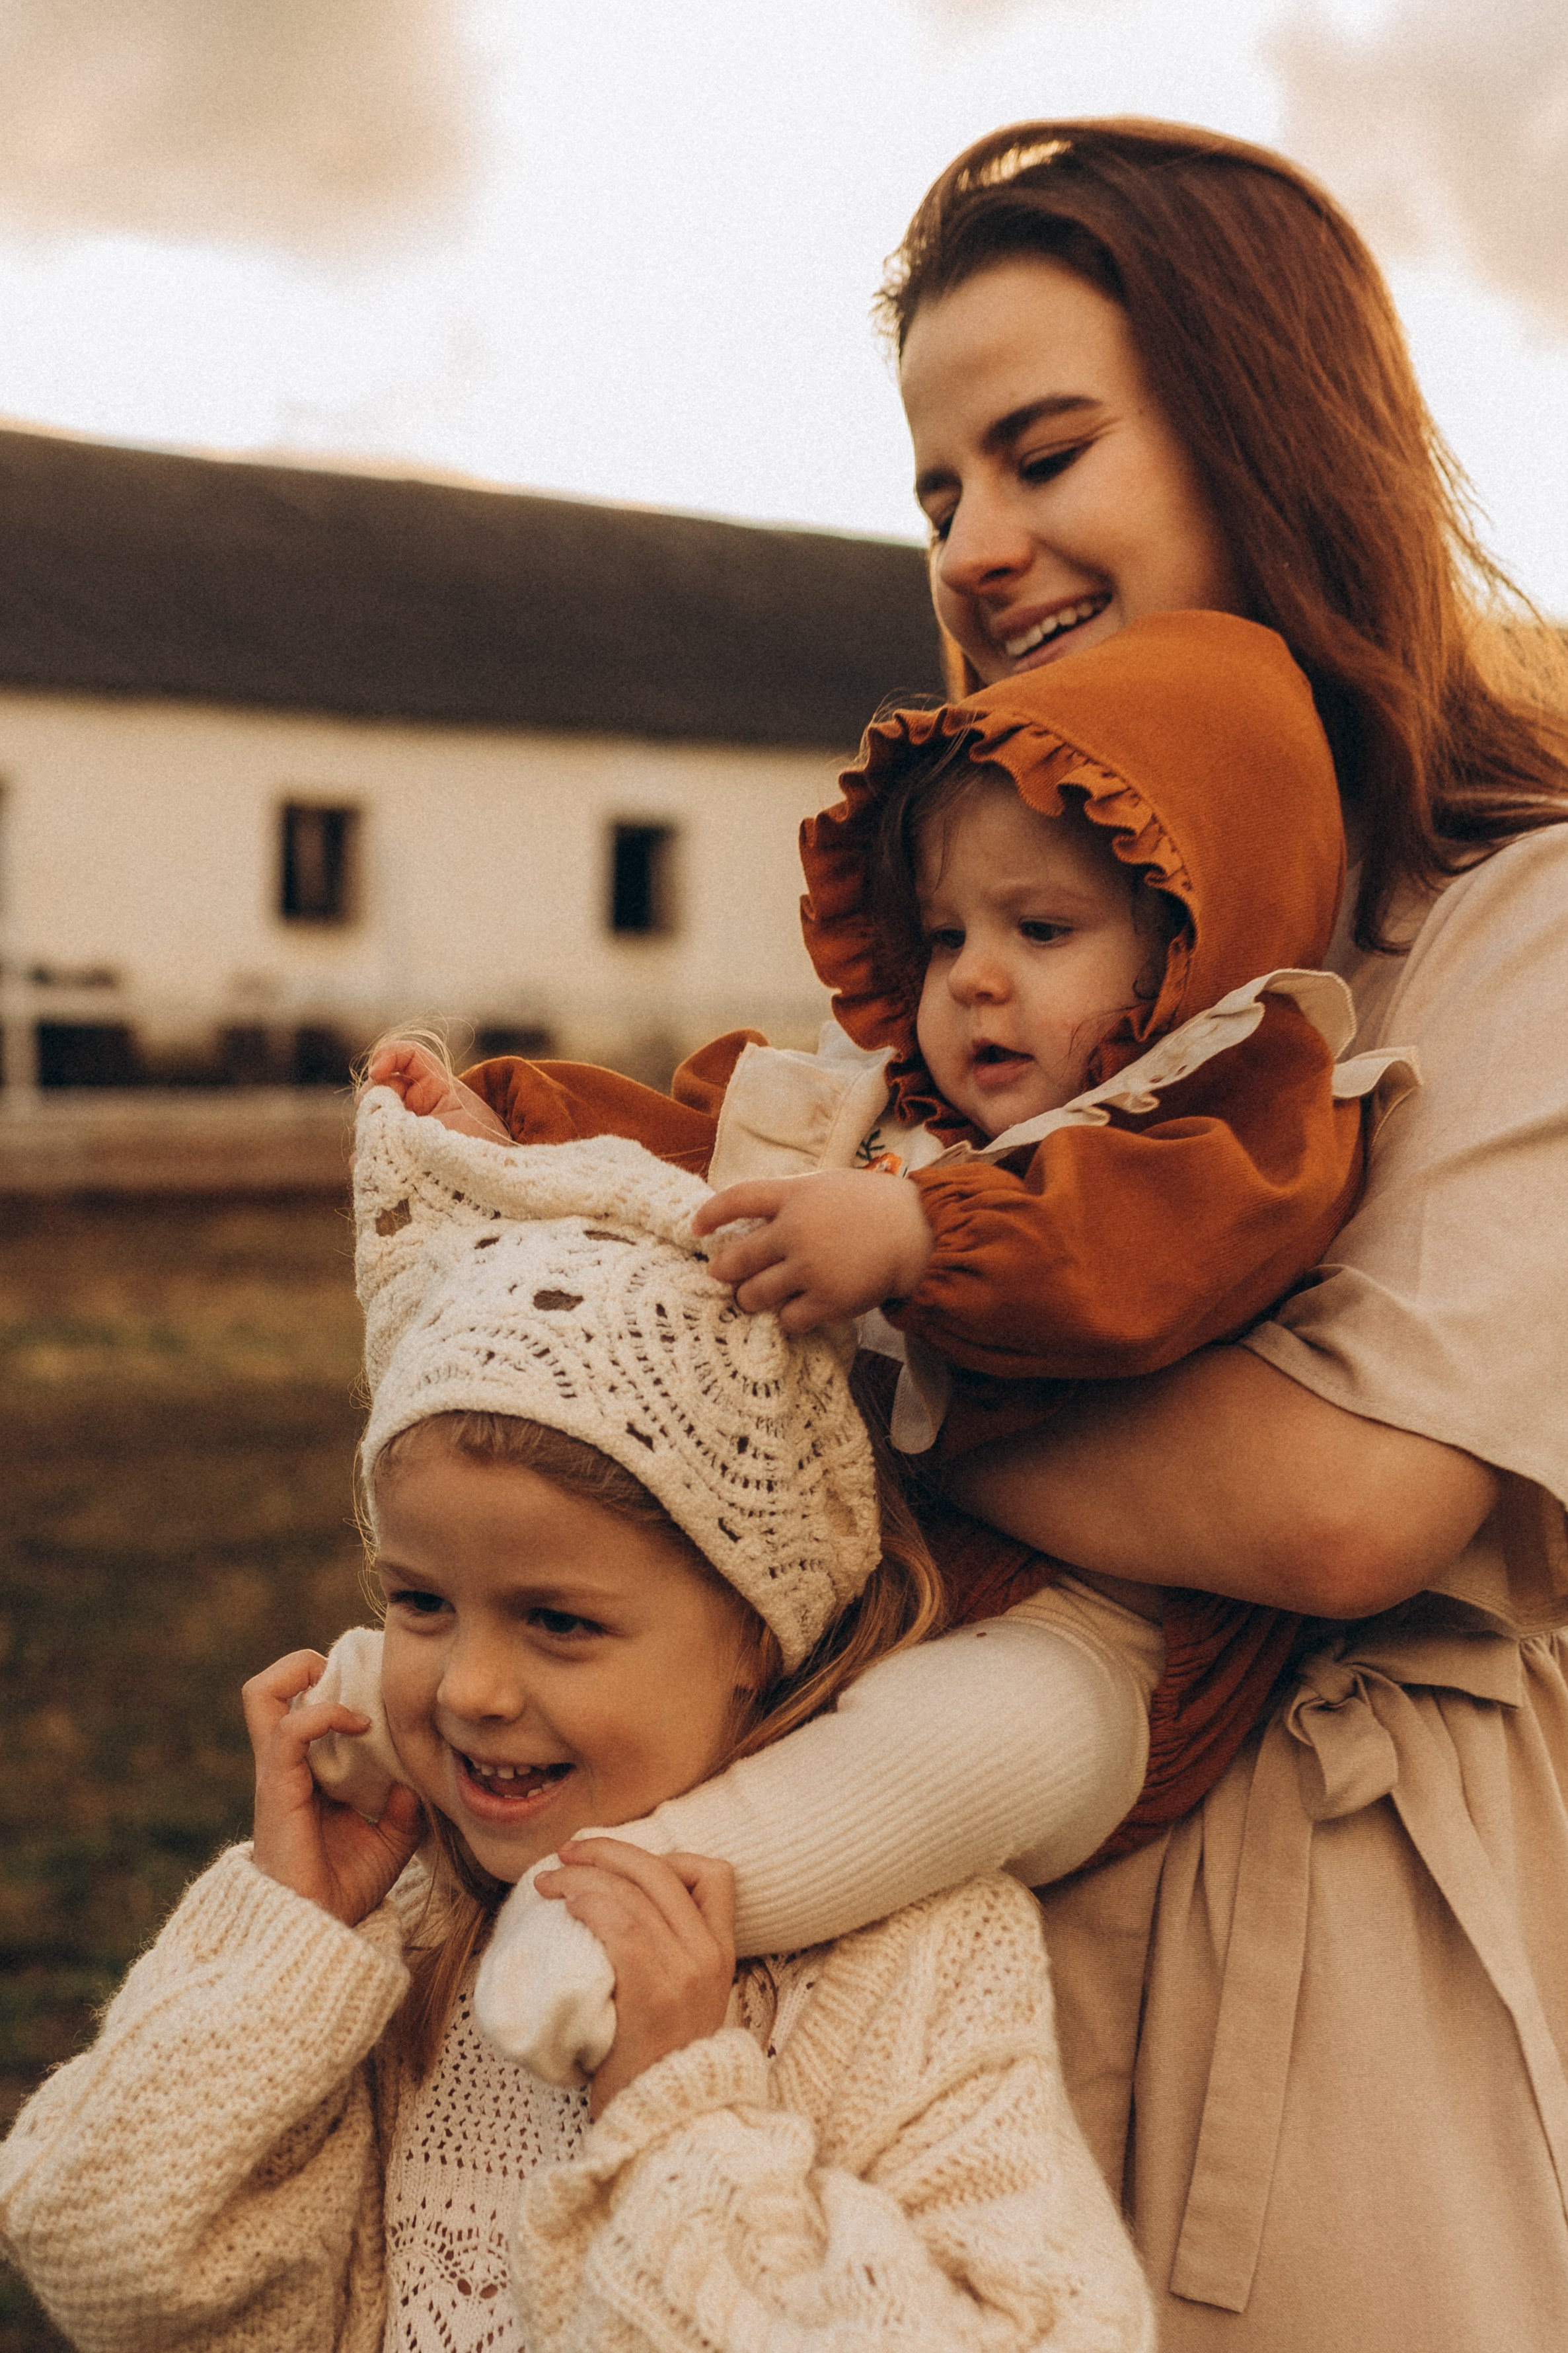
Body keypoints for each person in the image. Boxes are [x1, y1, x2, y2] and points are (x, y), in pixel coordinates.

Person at [354, 608, 1411, 2088]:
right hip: (875, 1567)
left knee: (958, 1743)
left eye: (1039, 932)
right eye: (945, 936)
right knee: (645, 1610)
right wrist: (515, 1126)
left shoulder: (1226, 1120)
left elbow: (1138, 1274)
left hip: (1101, 1634)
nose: (976, 977)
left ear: (1184, 940)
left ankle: (630, 1896)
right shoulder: (884, 1119)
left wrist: (923, 1239)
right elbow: (690, 1164)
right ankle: (410, 1697)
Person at [876, 117, 1568, 2353]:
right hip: (967, 1941)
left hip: (1346, 1958)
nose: (976, 544)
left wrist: (869, 1365)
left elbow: (1350, 1497)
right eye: (934, 492)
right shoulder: (994, 934)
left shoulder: (1513, 914)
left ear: (1267, 421)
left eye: (1039, 450)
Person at [0, 1093, 1154, 2352]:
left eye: (558, 1622)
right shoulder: (403, 1919)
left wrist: (674, 2109)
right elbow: (100, 2261)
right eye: (421, 1602)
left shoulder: (911, 1957)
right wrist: (286, 1944)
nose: (467, 1690)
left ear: (752, 1637)